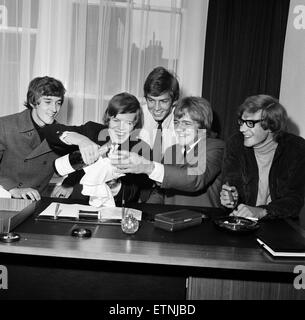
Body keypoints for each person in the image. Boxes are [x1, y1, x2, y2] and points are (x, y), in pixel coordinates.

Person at [110, 96, 224, 207]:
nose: (179, 128)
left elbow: (195, 179)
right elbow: (160, 192)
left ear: (202, 125)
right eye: (176, 122)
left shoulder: (216, 147)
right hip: (171, 220)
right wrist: (144, 212)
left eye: (187, 123)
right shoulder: (172, 150)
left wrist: (147, 167)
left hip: (204, 221)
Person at [42, 92, 150, 205]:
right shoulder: (92, 130)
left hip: (114, 209)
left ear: (134, 124)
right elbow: (50, 131)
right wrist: (80, 140)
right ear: (108, 119)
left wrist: (114, 184)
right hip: (79, 204)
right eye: (116, 121)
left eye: (128, 123)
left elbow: (134, 192)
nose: (120, 128)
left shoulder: (141, 149)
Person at [220, 94, 305, 219]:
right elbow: (230, 186)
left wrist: (261, 211)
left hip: (279, 223)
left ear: (271, 125)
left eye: (249, 123)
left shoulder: (296, 147)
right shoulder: (235, 143)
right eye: (242, 122)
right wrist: (230, 198)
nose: (242, 129)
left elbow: (294, 200)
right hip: (241, 221)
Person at [0, 76, 66, 200]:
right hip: (5, 199)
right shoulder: (4, 126)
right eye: (48, 102)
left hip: (37, 201)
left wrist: (69, 184)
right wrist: (13, 189)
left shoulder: (62, 132)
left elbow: (78, 160)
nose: (54, 109)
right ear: (32, 102)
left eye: (58, 103)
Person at [138, 66, 180, 202]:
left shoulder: (184, 121)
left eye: (163, 101)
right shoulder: (137, 115)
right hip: (140, 187)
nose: (156, 108)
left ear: (174, 100)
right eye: (151, 100)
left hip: (172, 190)